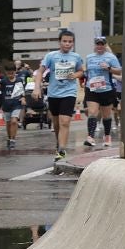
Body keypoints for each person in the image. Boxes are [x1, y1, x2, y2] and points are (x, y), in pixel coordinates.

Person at [34, 28, 83, 162]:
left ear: (73, 43)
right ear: (59, 42)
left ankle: (61, 150)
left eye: (70, 42)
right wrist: (36, 88)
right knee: (56, 123)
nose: (67, 44)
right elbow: (40, 72)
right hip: (54, 93)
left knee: (65, 122)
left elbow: (81, 71)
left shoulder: (76, 57)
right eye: (64, 41)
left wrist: (75, 75)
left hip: (69, 93)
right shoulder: (51, 56)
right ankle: (59, 142)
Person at [82, 35, 122, 149]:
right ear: (95, 45)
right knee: (92, 112)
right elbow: (87, 72)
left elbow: (119, 71)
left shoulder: (111, 57)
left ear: (105, 45)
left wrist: (109, 68)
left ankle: (107, 136)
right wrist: (85, 82)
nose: (99, 46)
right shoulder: (89, 57)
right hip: (92, 89)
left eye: (101, 44)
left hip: (107, 89)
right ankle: (90, 137)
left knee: (106, 115)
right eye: (97, 44)